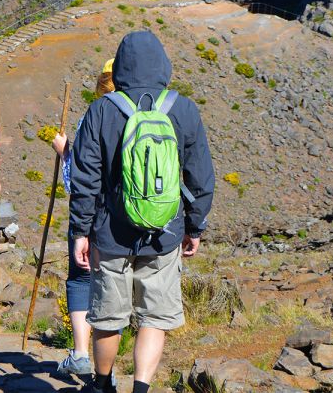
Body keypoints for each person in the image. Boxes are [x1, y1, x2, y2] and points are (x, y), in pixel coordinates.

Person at [70, 31, 215, 393]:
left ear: (119, 68)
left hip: (110, 233)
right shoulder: (183, 109)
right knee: (155, 317)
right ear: (163, 65)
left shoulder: (102, 109)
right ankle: (141, 388)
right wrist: (194, 228)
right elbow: (201, 177)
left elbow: (85, 178)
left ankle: (102, 384)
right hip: (164, 233)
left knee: (108, 317)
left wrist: (81, 232)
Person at [52, 59, 115, 378]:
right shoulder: (145, 115)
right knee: (113, 285)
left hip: (91, 214)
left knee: (80, 278)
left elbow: (75, 180)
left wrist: (64, 152)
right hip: (128, 218)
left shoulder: (94, 117)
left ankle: (80, 354)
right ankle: (110, 366)